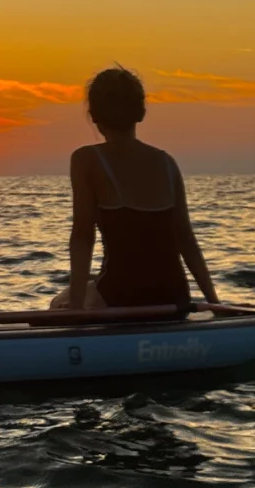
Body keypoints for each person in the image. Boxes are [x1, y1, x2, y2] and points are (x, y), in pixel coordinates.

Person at [51, 65, 218, 315]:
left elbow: (83, 236)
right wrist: (214, 301)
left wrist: (76, 306)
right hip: (173, 295)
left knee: (57, 303)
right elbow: (186, 240)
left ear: (94, 116)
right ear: (140, 112)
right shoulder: (166, 162)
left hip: (123, 295)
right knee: (92, 284)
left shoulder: (87, 159)